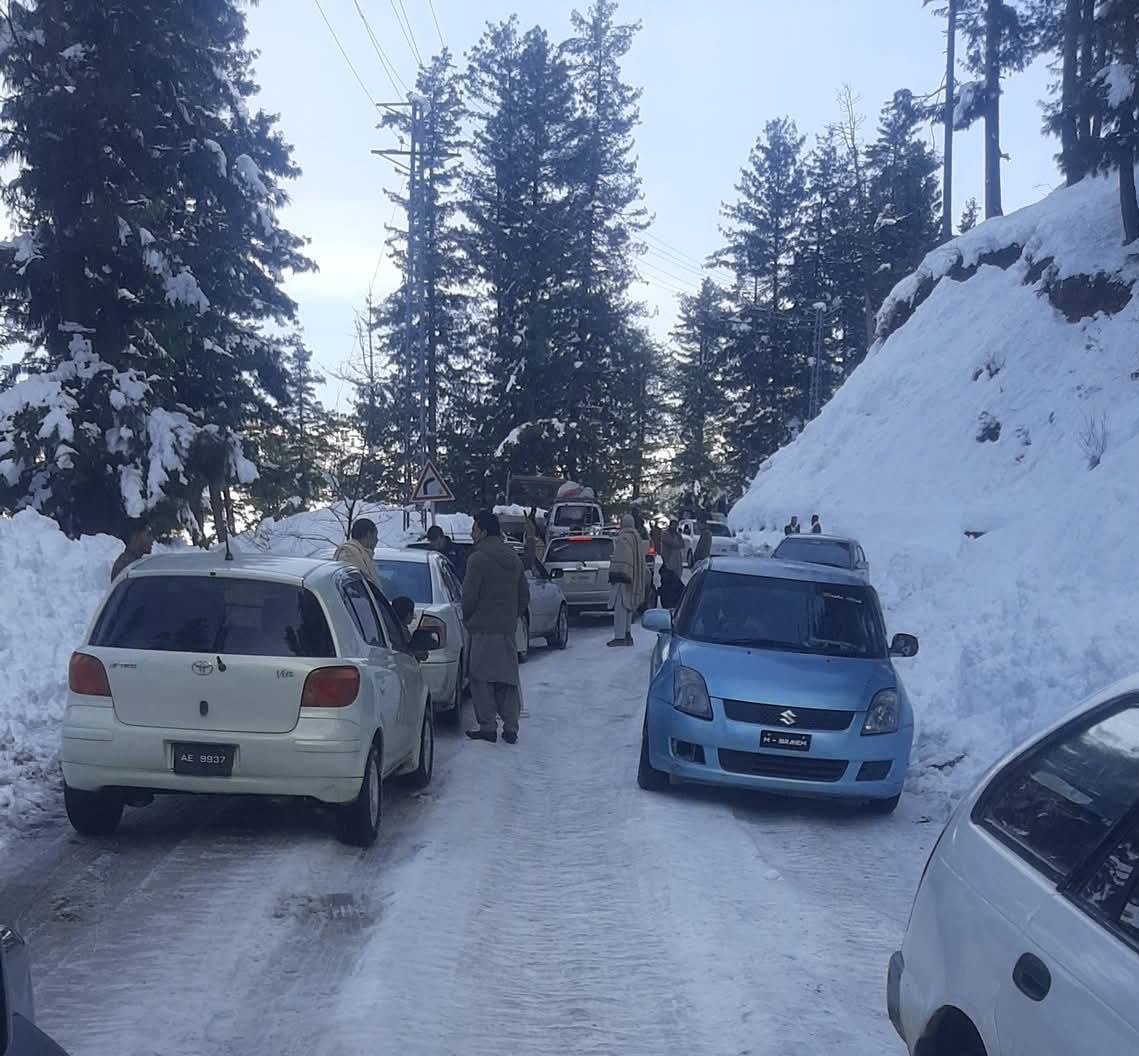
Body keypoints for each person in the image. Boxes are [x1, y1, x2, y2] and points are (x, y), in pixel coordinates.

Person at [463, 510, 529, 745]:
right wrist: (512, 616)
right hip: (506, 627)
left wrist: (467, 617)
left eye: (474, 528)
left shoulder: (477, 559)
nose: (471, 534)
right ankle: (511, 726)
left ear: (482, 530)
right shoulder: (513, 557)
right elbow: (524, 595)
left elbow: (469, 596)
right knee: (507, 678)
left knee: (481, 678)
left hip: (481, 626)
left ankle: (488, 726)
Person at [608, 514, 646, 647]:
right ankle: (627, 633)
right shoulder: (636, 537)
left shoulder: (623, 537)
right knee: (629, 606)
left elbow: (622, 557)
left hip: (623, 577)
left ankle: (619, 637)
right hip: (634, 576)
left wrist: (618, 572)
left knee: (620, 607)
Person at [334, 518, 382, 587]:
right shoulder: (348, 554)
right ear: (369, 534)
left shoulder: (363, 555)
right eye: (375, 536)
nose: (377, 540)